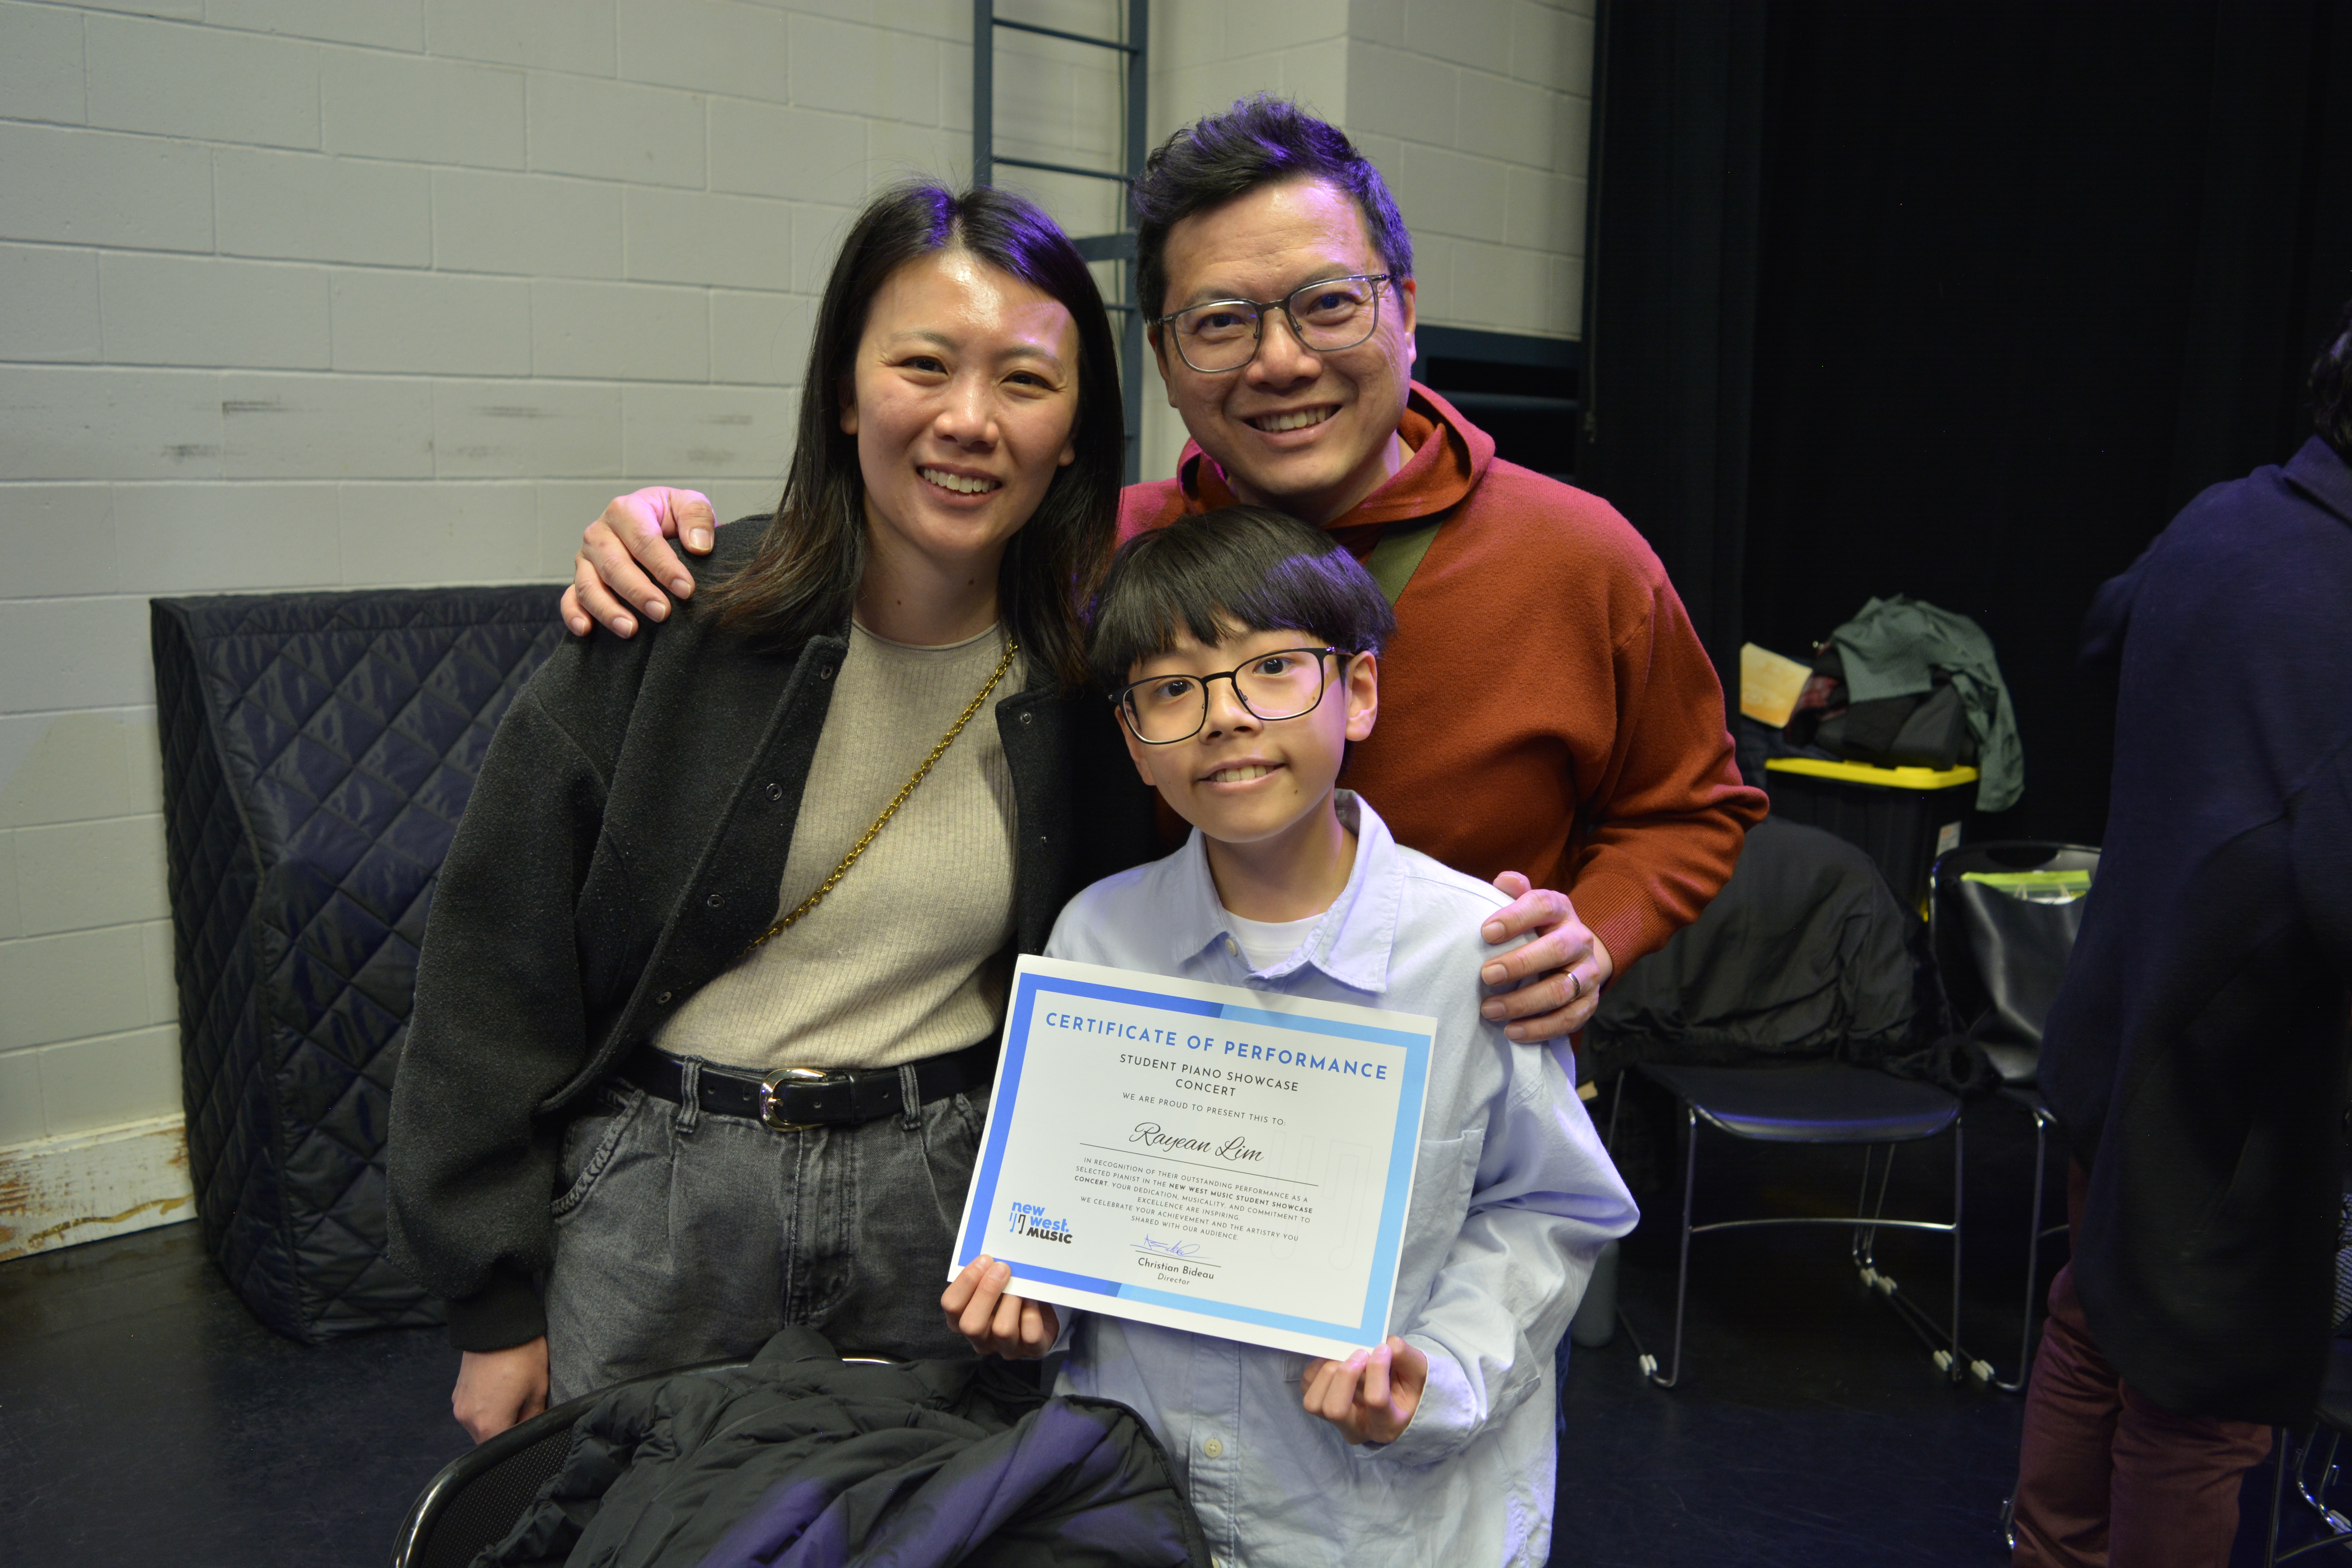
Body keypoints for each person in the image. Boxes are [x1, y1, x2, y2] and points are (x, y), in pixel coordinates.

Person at [559, 96, 1766, 1044]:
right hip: (1149, 1106)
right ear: (1166, 360)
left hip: (1444, 1083)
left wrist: (1593, 935)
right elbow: (898, 549)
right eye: (1222, 322)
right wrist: (673, 534)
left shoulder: (1581, 559)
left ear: (1405, 309)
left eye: (1327, 304)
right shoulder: (1092, 553)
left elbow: (1692, 807)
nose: (1280, 361)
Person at [387, 181, 1156, 1443]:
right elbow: (493, 974)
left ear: (1074, 431)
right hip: (665, 1195)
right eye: (923, 365)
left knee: (922, 1518)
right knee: (625, 1511)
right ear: (847, 393)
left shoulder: (1090, 684)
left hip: (942, 1202)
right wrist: (492, 1304)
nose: (969, 421)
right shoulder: (675, 618)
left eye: (1026, 382)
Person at [941, 505, 1639, 1568]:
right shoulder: (1097, 938)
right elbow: (1067, 1205)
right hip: (1137, 1502)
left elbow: (1548, 1206)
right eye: (1171, 690)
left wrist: (1439, 1370)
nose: (1225, 717)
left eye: (1272, 669)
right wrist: (1031, 1296)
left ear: (1357, 692)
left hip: (1376, 1522)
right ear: (1134, 742)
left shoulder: (1477, 952)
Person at [2006, 304, 2352, 1565]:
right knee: (2199, 1409)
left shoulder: (2224, 516)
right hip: (2237, 1084)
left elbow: (2109, 629)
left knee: (2093, 1322)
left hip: (2122, 1016)